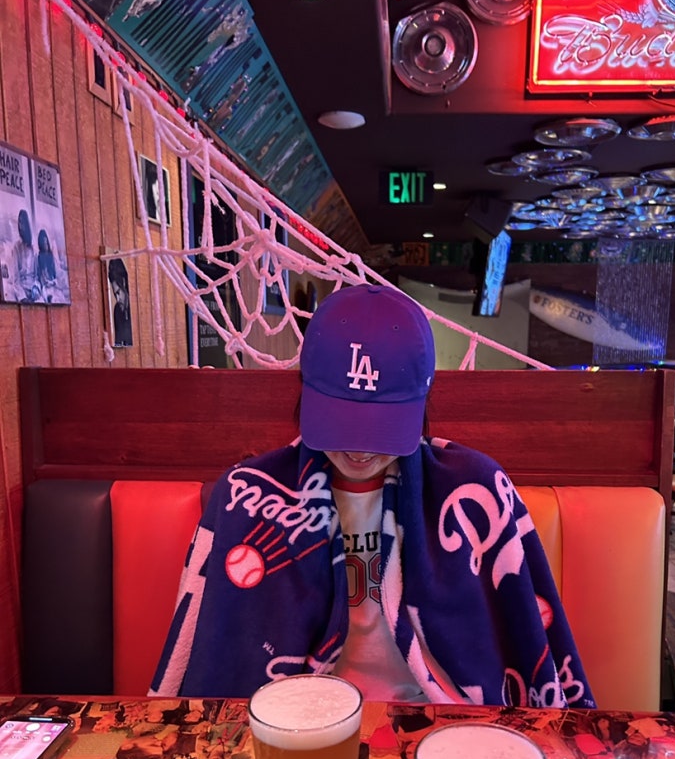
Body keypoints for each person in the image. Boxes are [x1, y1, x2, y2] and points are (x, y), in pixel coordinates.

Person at [150, 284, 595, 708]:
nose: (360, 448)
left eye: (383, 427)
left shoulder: (475, 490)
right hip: (299, 718)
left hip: (434, 718)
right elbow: (214, 654)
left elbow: (528, 643)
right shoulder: (247, 496)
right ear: (305, 395)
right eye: (340, 421)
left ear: (422, 405)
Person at [108, 258, 133, 347]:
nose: (117, 299)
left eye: (118, 292)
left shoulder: (134, 308)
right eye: (115, 294)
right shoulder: (117, 310)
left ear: (124, 283)